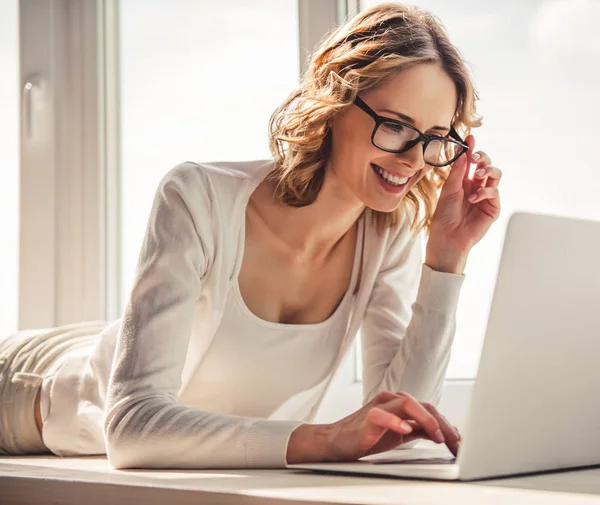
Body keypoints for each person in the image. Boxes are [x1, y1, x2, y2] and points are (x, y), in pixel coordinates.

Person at [0, 2, 501, 468]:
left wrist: (447, 258)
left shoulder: (388, 236)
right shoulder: (197, 196)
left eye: (436, 138)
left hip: (112, 347)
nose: (414, 159)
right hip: (31, 391)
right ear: (335, 104)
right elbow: (131, 427)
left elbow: (404, 428)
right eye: (395, 126)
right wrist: (323, 437)